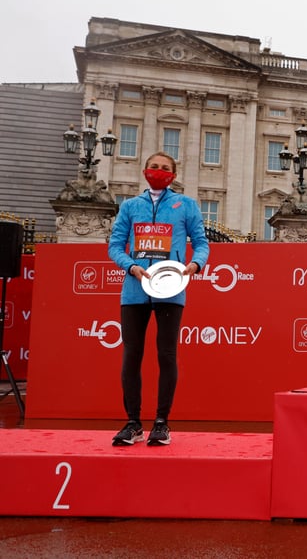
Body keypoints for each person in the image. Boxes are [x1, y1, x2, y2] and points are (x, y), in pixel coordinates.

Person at [107, 152, 209, 446]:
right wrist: (131, 267)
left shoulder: (186, 205)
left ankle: (162, 423)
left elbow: (201, 243)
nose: (159, 171)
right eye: (154, 166)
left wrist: (195, 264)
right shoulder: (130, 206)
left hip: (171, 287)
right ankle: (133, 423)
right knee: (131, 356)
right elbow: (115, 246)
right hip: (135, 289)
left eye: (165, 168)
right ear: (144, 170)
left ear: (173, 175)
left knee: (166, 355)